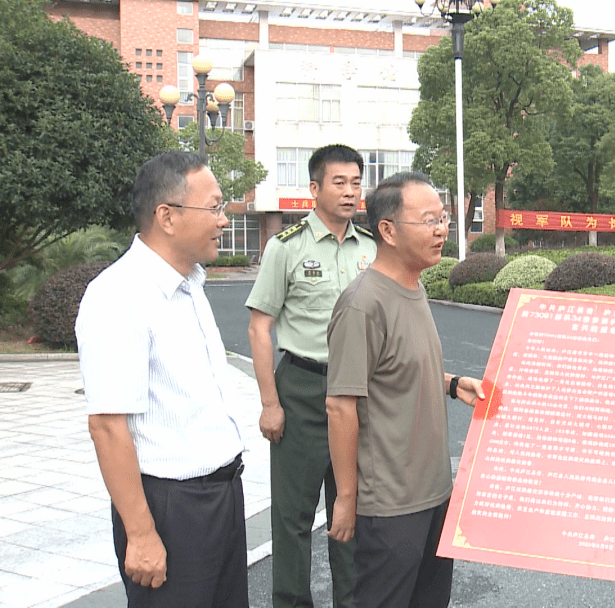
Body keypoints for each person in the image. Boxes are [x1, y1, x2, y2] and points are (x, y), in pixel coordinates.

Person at [76, 151, 247, 607]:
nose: (224, 220)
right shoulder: (118, 296)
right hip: (172, 508)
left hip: (223, 493)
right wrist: (142, 534)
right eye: (213, 207)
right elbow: (108, 426)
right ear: (166, 217)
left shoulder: (190, 282)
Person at [324, 171, 485, 608]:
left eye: (443, 218)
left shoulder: (414, 287)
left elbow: (397, 370)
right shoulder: (363, 304)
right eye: (428, 220)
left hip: (434, 494)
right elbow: (341, 405)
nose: (441, 230)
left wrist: (452, 384)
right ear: (388, 231)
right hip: (390, 508)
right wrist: (346, 498)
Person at [246, 144, 376, 607]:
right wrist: (270, 403)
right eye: (338, 183)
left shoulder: (373, 248)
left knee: (351, 510)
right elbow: (261, 326)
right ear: (315, 188)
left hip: (359, 393)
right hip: (302, 388)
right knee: (293, 518)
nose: (349, 192)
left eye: (356, 183)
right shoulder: (286, 247)